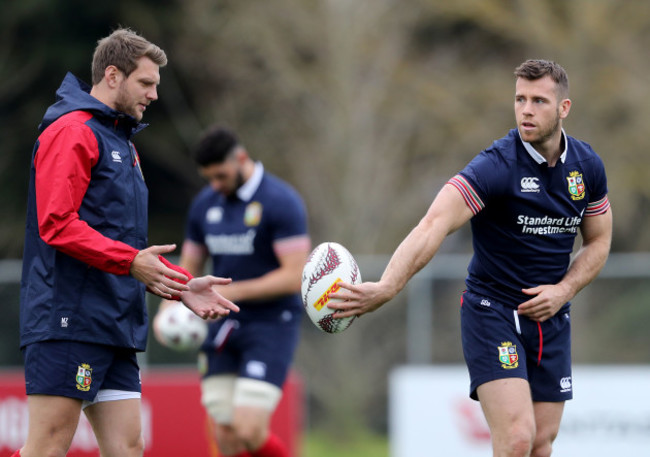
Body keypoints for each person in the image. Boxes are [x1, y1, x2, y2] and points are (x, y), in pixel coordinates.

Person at [329, 60, 612, 457]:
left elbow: (599, 241)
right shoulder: (496, 166)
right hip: (492, 310)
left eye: (539, 101)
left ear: (564, 108)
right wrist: (388, 285)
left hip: (550, 317)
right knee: (516, 439)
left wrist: (564, 290)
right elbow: (433, 224)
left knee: (541, 444)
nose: (526, 110)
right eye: (519, 99)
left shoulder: (586, 168)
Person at [16, 28, 239, 457]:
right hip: (69, 320)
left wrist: (181, 285)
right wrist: (132, 262)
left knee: (129, 447)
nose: (154, 94)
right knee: (46, 447)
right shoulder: (73, 131)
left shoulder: (121, 140)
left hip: (113, 322)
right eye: (147, 83)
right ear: (113, 75)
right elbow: (56, 224)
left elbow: (125, 247)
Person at [153, 126, 311, 457]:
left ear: (240, 158)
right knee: (224, 432)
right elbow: (189, 267)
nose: (216, 185)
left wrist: (232, 293)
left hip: (271, 323)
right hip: (220, 325)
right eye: (209, 178)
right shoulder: (204, 205)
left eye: (221, 176)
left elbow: (296, 276)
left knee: (249, 429)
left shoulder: (281, 201)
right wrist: (167, 310)